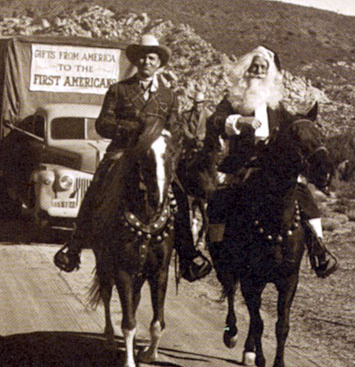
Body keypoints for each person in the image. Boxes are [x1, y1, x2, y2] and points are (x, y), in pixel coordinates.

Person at [54, 34, 211, 281]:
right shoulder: (119, 90)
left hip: (157, 155)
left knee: (179, 196)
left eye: (152, 57)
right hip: (123, 152)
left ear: (159, 63)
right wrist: (130, 130)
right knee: (96, 187)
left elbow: (176, 129)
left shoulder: (169, 96)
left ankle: (189, 254)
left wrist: (169, 145)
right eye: (143, 57)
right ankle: (74, 247)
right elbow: (103, 124)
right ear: (136, 61)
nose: (147, 61)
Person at [206, 45, 337, 278]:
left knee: (306, 200)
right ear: (246, 69)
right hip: (242, 165)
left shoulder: (277, 104)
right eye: (254, 66)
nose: (257, 71)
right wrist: (239, 122)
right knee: (220, 201)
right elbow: (215, 121)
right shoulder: (232, 99)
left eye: (263, 67)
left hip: (274, 167)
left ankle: (319, 251)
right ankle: (218, 254)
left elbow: (292, 130)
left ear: (269, 72)